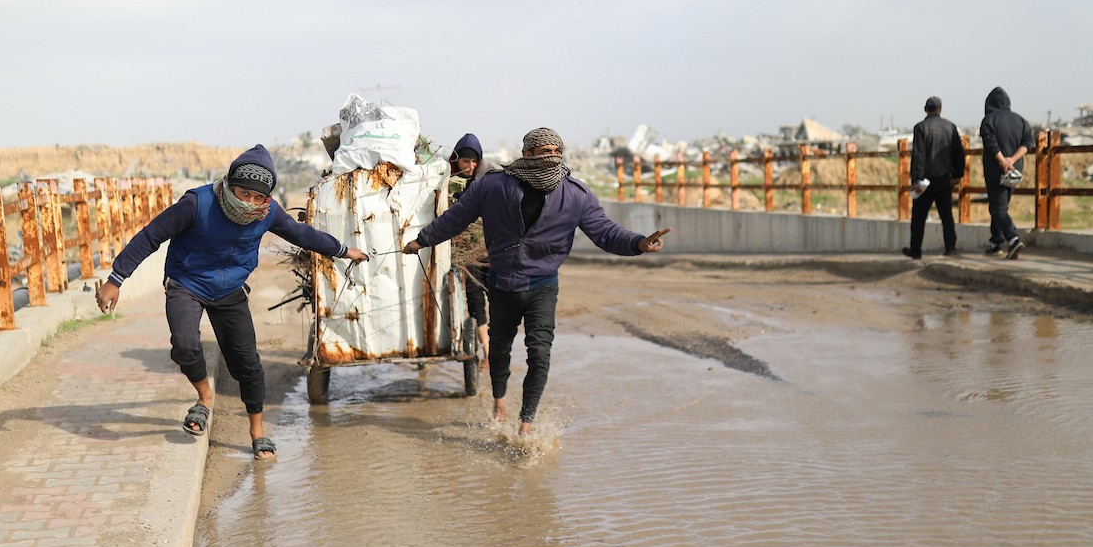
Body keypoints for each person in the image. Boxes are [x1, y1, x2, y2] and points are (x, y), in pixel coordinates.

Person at [95, 145, 369, 460]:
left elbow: (302, 235)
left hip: (230, 290)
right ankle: (204, 398)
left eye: (258, 197)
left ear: (267, 198)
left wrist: (343, 250)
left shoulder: (269, 213)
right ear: (229, 185)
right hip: (187, 282)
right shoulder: (197, 203)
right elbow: (150, 236)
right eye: (243, 193)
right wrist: (116, 278)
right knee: (184, 346)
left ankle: (257, 431)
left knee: (247, 363)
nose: (249, 202)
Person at [403, 127, 670, 436]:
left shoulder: (575, 194)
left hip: (543, 285)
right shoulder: (493, 186)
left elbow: (605, 232)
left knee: (539, 354)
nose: (552, 157)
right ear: (526, 154)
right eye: (545, 152)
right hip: (502, 282)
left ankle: (525, 424)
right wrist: (422, 240)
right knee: (499, 349)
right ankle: (499, 401)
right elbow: (456, 218)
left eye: (557, 152)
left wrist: (638, 243)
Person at [448, 133, 498, 366]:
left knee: (497, 295)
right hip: (466, 250)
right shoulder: (446, 179)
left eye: (474, 161)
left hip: (492, 247)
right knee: (475, 297)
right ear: (456, 160)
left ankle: (496, 347)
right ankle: (486, 349)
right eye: (465, 161)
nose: (470, 166)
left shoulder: (491, 178)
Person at [903, 96, 965, 260]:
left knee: (919, 217)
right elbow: (959, 153)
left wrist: (916, 180)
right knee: (946, 215)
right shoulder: (950, 127)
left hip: (925, 181)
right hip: (945, 179)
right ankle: (950, 248)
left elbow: (919, 156)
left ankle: (916, 250)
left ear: (926, 110)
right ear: (940, 109)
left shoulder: (920, 128)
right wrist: (958, 175)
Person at [979, 86, 1035, 259]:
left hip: (997, 170)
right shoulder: (1021, 120)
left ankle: (1013, 239)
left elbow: (991, 144)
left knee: (998, 208)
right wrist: (1012, 160)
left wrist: (1002, 161)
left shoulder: (989, 120)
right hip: (1015, 170)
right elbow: (1028, 142)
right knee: (1000, 206)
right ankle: (995, 242)